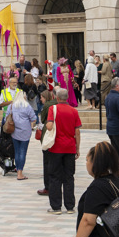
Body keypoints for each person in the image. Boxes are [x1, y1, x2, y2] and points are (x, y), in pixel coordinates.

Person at [71, 141, 119, 237]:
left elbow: (88, 221)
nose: (86, 163)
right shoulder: (116, 181)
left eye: (87, 160)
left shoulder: (97, 188)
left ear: (95, 163)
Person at [45, 87, 82, 215]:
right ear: (67, 98)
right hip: (70, 147)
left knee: (55, 177)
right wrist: (77, 148)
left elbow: (49, 126)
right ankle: (70, 206)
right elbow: (77, 131)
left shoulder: (52, 109)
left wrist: (47, 124)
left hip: (56, 147)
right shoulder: (73, 111)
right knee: (69, 177)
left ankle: (56, 207)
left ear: (57, 97)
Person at [6, 90, 38, 181]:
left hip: (14, 131)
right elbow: (33, 118)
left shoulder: (11, 106)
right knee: (23, 151)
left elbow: (6, 117)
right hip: (25, 131)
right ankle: (20, 172)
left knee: (17, 151)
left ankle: (18, 170)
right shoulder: (27, 106)